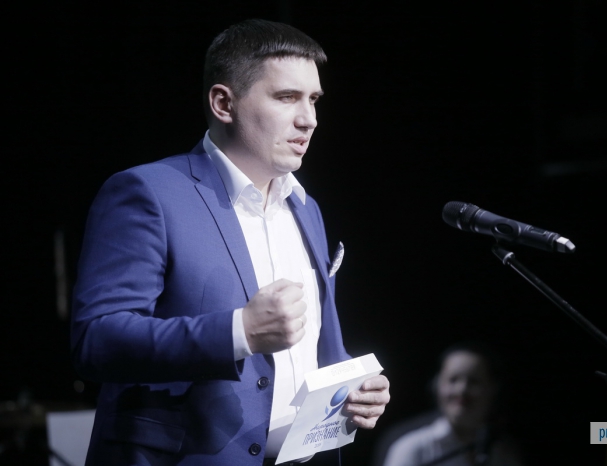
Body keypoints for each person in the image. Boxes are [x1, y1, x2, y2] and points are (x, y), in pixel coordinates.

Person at [70, 19, 390, 466]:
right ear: (224, 103)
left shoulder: (306, 208)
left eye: (314, 99)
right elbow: (97, 339)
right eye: (286, 97)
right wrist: (240, 331)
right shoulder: (149, 192)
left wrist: (352, 388)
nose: (309, 119)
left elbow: (312, 350)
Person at [381, 342, 521, 466]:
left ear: (492, 389)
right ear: (436, 386)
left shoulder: (503, 454)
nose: (462, 390)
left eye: (474, 381)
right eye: (453, 380)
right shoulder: (412, 449)